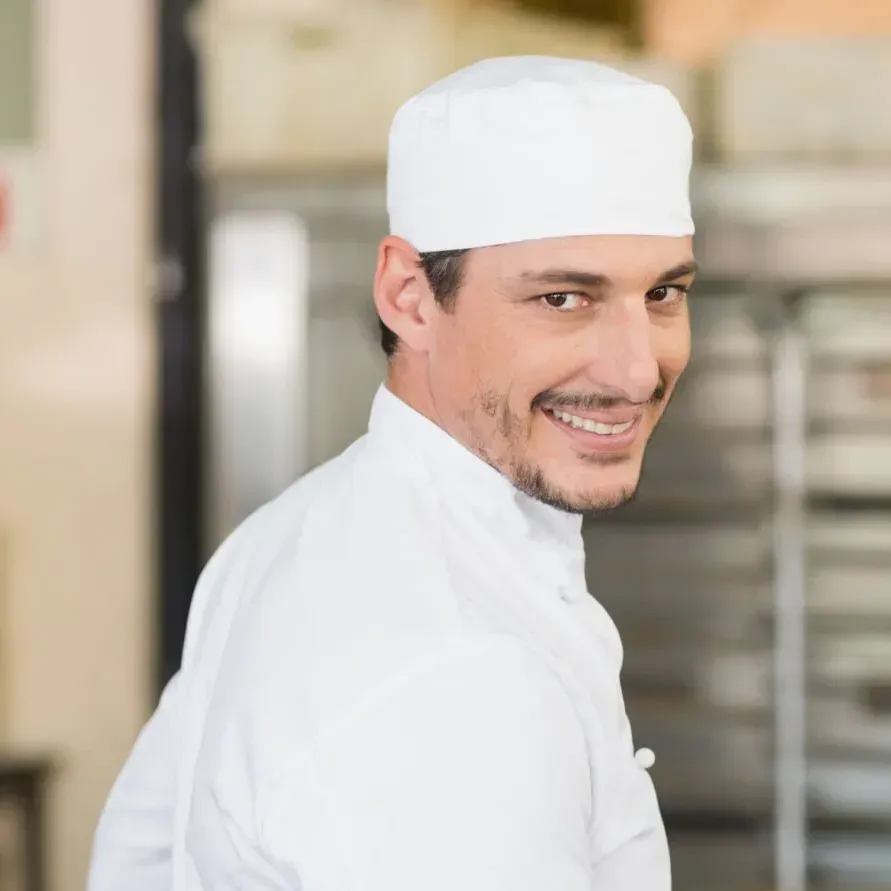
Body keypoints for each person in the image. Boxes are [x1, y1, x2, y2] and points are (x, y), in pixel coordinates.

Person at [88, 55, 696, 891]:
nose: (637, 369)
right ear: (409, 295)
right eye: (564, 298)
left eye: (662, 293)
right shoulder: (455, 675)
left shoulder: (288, 535)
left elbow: (139, 864)